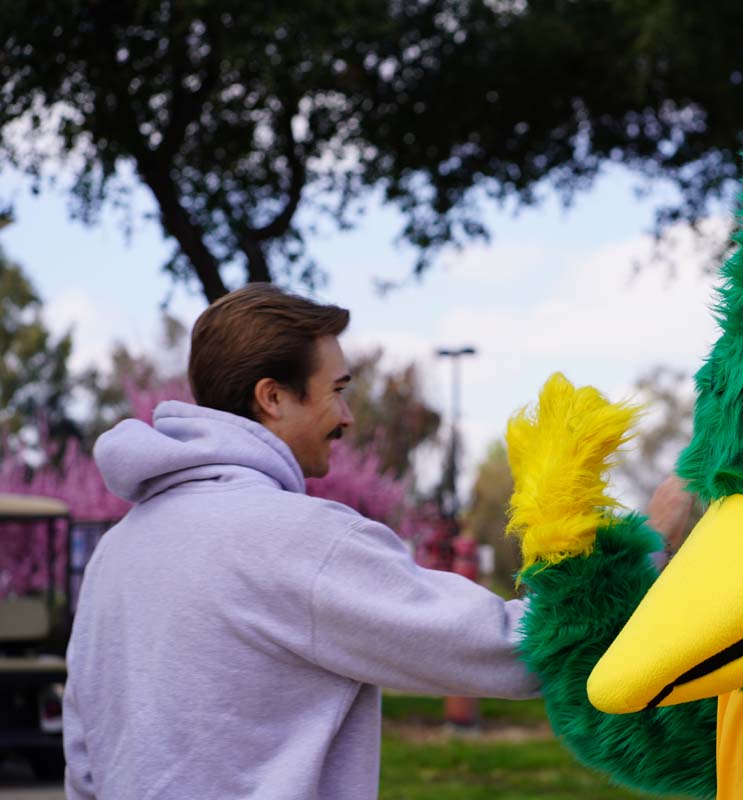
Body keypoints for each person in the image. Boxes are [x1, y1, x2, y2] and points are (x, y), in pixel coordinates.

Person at [63, 284, 539, 800]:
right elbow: (513, 651)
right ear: (272, 397)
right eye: (337, 389)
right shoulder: (303, 539)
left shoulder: (115, 550)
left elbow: (84, 752)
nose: (348, 415)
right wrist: (632, 560)